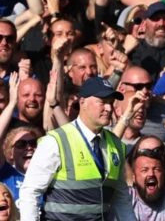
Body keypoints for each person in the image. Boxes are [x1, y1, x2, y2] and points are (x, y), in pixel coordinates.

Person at [19, 77, 135, 220]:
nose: (109, 108)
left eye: (111, 103)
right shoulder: (55, 141)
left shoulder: (116, 145)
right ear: (83, 103)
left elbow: (121, 198)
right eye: (102, 102)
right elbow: (30, 192)